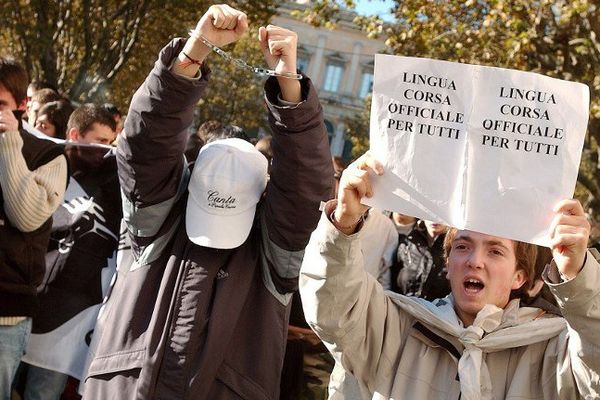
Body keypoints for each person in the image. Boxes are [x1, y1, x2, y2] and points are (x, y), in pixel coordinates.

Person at [82, 5, 332, 399]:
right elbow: (145, 144)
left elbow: (306, 188)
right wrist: (193, 52)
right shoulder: (153, 222)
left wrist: (290, 87)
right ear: (188, 185)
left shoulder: (275, 254)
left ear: (260, 203)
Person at [300, 152, 599, 399]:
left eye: (495, 251)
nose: (475, 261)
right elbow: (332, 308)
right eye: (463, 246)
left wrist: (578, 274)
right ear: (448, 261)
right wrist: (343, 223)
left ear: (519, 277)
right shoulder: (394, 328)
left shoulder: (554, 352)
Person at [19, 104, 119, 400]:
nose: (108, 151)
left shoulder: (114, 184)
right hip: (20, 310)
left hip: (66, 333)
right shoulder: (41, 168)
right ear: (74, 135)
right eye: (101, 142)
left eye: (111, 143)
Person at [0, 58, 68, 399]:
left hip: (4, 316)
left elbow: (26, 217)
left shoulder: (47, 155)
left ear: (22, 105)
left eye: (0, 105)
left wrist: (10, 143)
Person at [390, 219, 451, 299]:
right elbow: (392, 280)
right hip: (403, 306)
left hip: (435, 310)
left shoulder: (453, 248)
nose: (435, 219)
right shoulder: (408, 242)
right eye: (430, 212)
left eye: (440, 214)